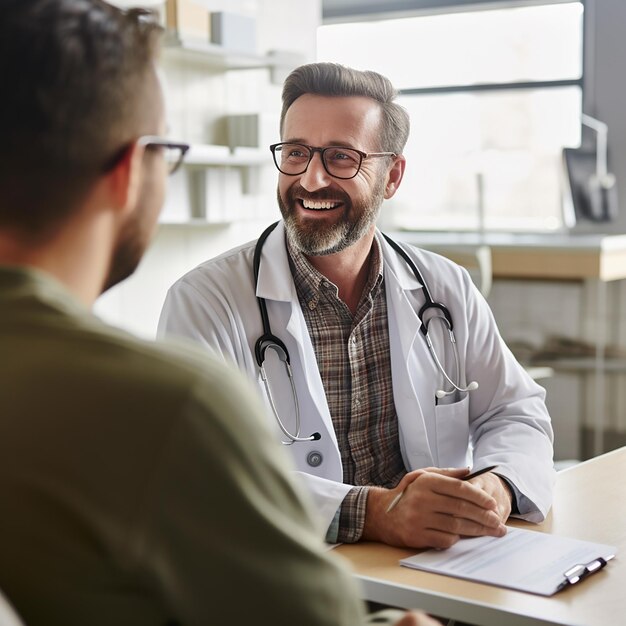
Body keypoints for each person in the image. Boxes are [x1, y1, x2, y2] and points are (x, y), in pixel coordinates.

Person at [0, 4, 435, 626]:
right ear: (129, 171)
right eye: (166, 150)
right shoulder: (166, 405)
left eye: (340, 156)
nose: (312, 176)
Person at [159, 62, 556, 549]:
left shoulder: (444, 288)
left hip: (435, 570)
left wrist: (493, 487)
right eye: (297, 153)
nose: (311, 179)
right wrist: (375, 513)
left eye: (341, 158)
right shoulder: (205, 303)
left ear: (392, 176)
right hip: (282, 576)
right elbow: (197, 473)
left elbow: (515, 411)